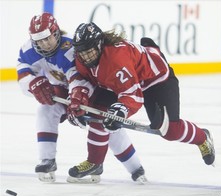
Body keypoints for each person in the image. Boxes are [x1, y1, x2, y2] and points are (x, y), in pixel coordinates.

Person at [67, 22, 215, 174]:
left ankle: (203, 137)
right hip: (121, 81)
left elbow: (133, 96)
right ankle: (94, 162)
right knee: (97, 112)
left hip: (155, 79)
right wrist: (78, 98)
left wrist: (121, 111)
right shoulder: (82, 57)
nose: (85, 57)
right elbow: (81, 78)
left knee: (170, 131)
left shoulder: (116, 60)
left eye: (89, 51)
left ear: (99, 45)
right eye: (82, 53)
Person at [16, 12, 147, 183]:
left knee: (105, 125)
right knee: (45, 110)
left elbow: (79, 76)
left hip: (94, 91)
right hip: (64, 93)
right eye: (39, 41)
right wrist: (32, 83)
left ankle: (136, 168)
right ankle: (47, 160)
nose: (44, 44)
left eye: (47, 38)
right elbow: (23, 70)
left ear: (56, 33)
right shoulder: (28, 49)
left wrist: (78, 96)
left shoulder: (70, 48)